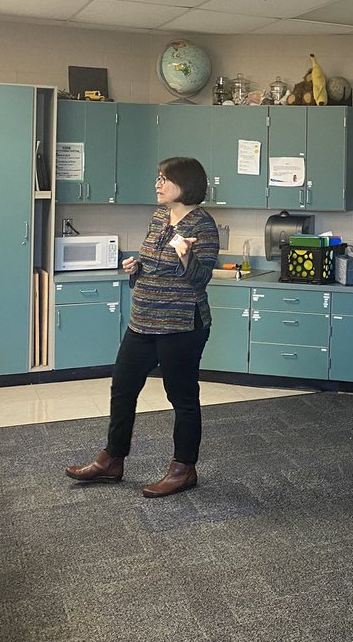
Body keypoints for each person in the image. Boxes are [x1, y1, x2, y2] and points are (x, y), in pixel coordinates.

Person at [66, 157, 220, 498]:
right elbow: (152, 263)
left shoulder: (203, 226)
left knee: (182, 397)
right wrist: (135, 267)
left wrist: (185, 257)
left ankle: (183, 469)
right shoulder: (159, 217)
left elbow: (200, 279)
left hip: (180, 324)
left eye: (165, 179)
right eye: (158, 178)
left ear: (186, 184)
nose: (158, 184)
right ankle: (112, 459)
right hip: (144, 319)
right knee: (122, 386)